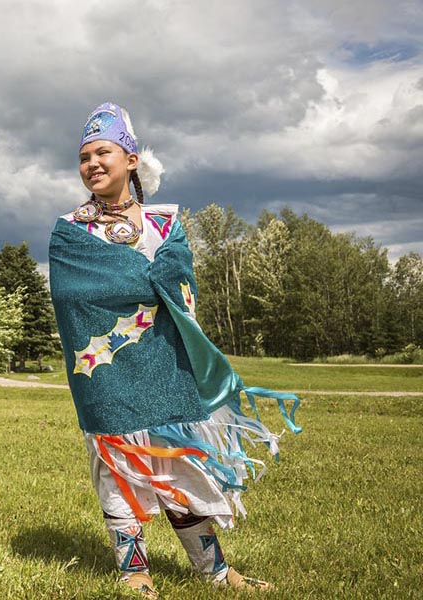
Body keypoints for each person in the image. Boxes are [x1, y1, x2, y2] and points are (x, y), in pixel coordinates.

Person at [47, 102, 301, 598]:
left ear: (131, 159)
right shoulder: (70, 230)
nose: (92, 164)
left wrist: (146, 283)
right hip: (106, 368)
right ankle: (133, 572)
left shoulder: (166, 224)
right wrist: (144, 282)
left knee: (178, 465)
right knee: (120, 467)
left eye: (103, 153)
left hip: (166, 361)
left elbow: (182, 290)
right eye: (84, 157)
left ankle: (214, 570)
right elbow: (72, 295)